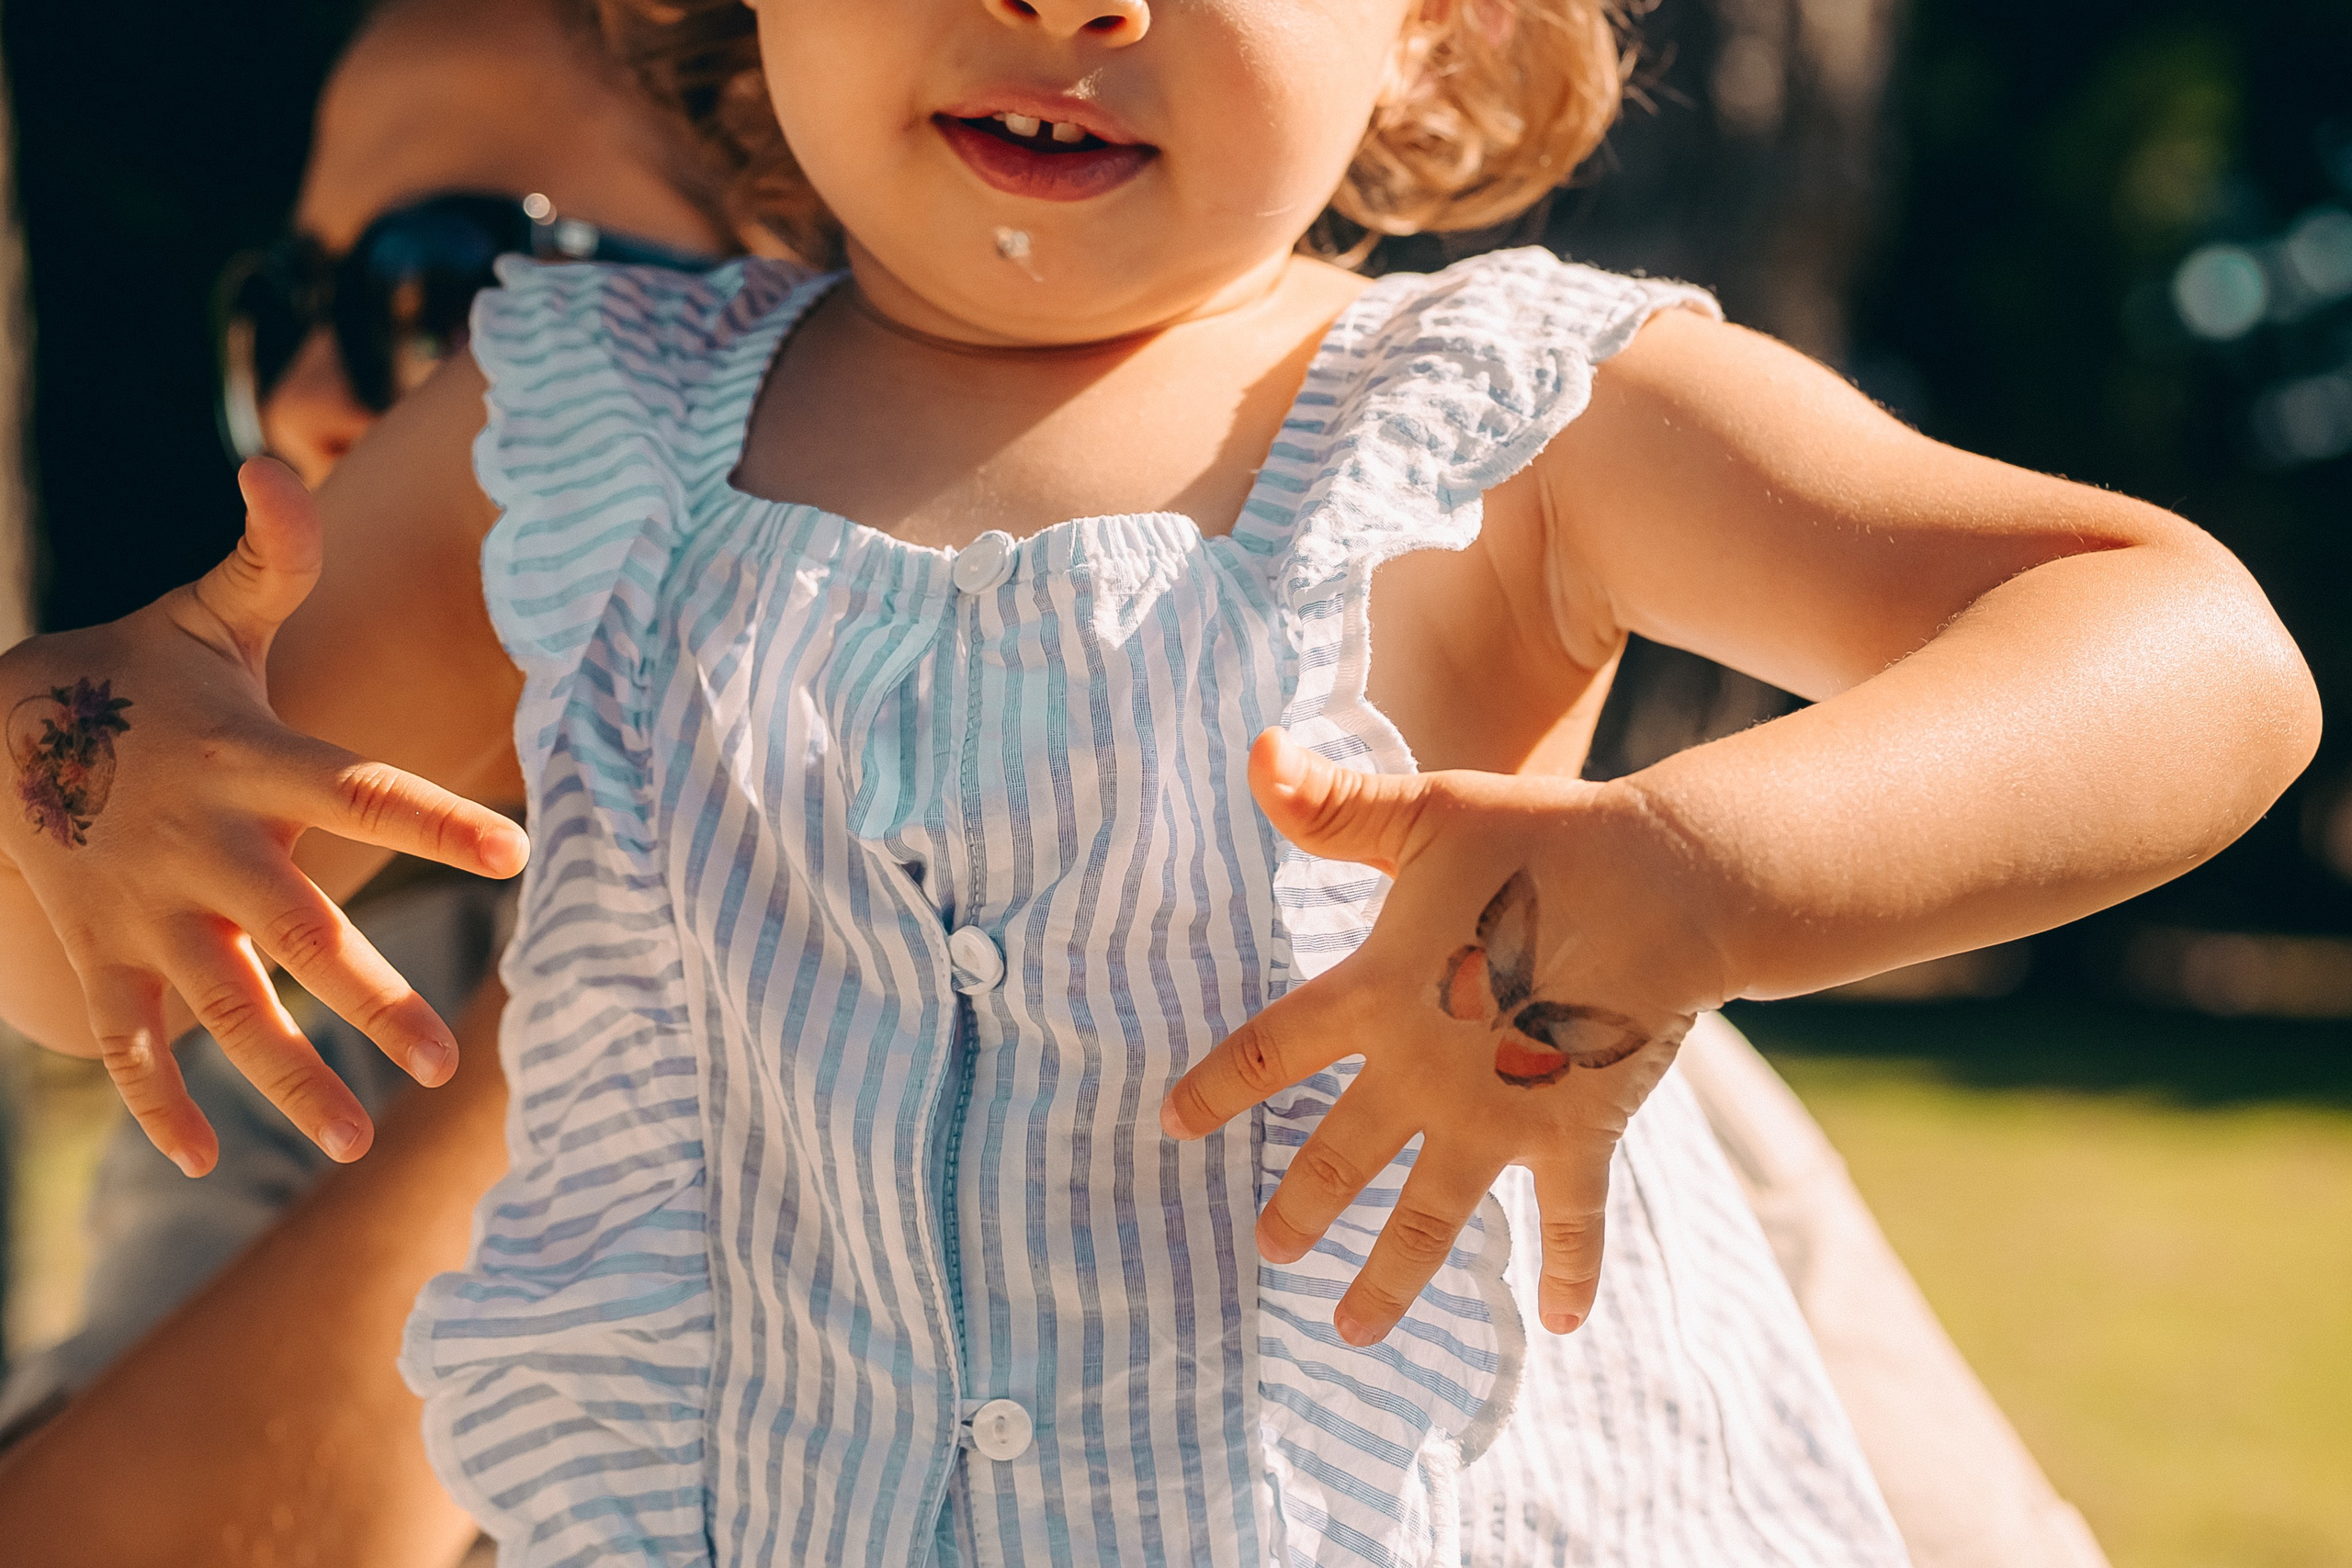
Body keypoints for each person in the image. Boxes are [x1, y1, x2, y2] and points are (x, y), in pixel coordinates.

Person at [0, 1, 2320, 1564]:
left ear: (1423, 21)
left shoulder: (1511, 413)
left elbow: (2182, 649)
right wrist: (66, 779)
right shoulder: (548, 431)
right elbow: (70, 941)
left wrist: (1711, 870)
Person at [0, 0, 729, 1560]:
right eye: (282, 308)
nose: (312, 393)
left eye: (452, 282)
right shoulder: (309, 1000)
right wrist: (581, 1020)